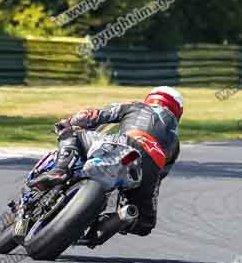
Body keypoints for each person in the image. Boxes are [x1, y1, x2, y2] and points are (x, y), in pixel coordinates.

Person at [27, 86, 182, 245]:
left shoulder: (137, 106)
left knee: (72, 133)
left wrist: (68, 122)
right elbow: (160, 177)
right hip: (149, 169)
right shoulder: (175, 143)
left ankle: (59, 171)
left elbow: (93, 115)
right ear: (177, 112)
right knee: (144, 224)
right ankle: (119, 217)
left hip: (123, 144)